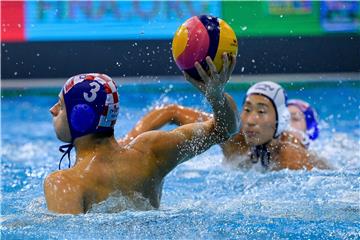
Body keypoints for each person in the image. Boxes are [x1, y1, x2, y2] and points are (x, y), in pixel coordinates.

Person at [44, 54, 239, 214]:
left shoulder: (64, 183)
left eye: (61, 105)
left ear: (81, 117)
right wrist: (217, 96)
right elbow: (224, 129)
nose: (52, 110)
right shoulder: (150, 153)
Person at [122, 81, 329, 170]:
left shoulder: (289, 154)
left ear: (279, 121)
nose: (251, 120)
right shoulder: (233, 135)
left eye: (262, 111)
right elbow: (171, 111)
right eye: (247, 109)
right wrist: (126, 144)